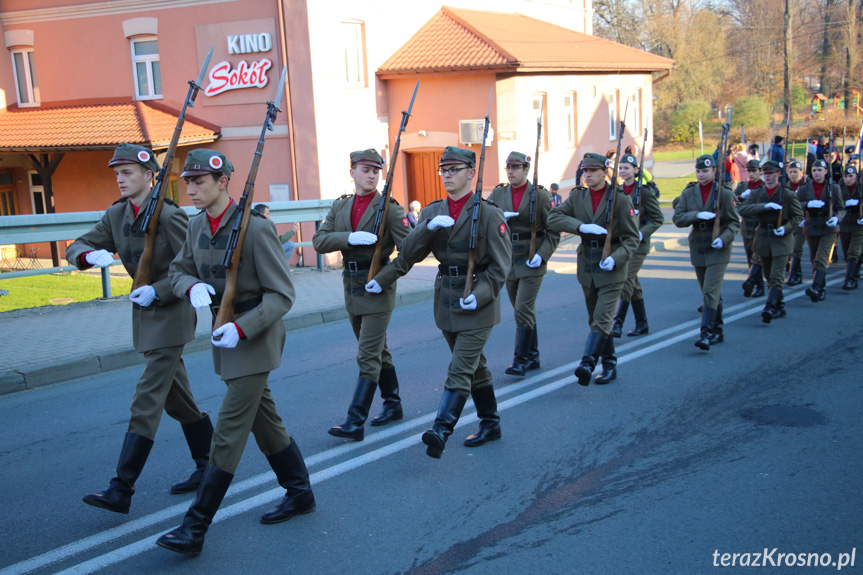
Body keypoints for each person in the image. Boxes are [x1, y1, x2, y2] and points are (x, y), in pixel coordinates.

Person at [158, 149, 314, 557]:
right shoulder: (196, 227)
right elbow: (177, 270)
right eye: (187, 182)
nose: (190, 189)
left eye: (199, 182)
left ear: (223, 182)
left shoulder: (255, 229)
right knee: (266, 421)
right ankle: (300, 492)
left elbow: (282, 295)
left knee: (228, 430)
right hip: (223, 332)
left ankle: (195, 526)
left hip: (254, 336)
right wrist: (189, 287)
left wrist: (242, 327)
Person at [66, 143, 211, 515]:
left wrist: (159, 290)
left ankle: (122, 487)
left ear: (150, 176)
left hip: (172, 311)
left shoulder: (170, 215)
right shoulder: (117, 214)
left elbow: (191, 267)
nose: (120, 178)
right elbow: (80, 243)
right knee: (178, 399)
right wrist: (86, 255)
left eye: (128, 172)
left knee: (146, 398)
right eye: (117, 173)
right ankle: (208, 464)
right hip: (144, 315)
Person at [370, 146, 511, 457]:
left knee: (460, 368)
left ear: (472, 173)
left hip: (478, 301)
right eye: (443, 170)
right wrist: (425, 228)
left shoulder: (489, 214)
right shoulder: (433, 212)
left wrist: (481, 295)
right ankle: (491, 423)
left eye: (455, 169)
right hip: (446, 299)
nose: (447, 175)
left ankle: (441, 429)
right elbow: (408, 254)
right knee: (475, 367)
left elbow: (501, 268)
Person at [312, 149, 410, 441]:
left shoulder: (390, 209)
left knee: (367, 355)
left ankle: (355, 422)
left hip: (378, 287)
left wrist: (386, 278)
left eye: (375, 171)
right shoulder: (341, 207)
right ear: (352, 172)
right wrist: (348, 238)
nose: (371, 175)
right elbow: (319, 241)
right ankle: (393, 405)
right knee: (379, 350)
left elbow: (410, 252)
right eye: (365, 170)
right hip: (351, 285)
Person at [547, 153, 639, 385]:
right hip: (588, 263)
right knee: (595, 319)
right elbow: (553, 218)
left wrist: (616, 258)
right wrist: (580, 226)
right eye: (585, 170)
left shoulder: (619, 199)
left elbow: (631, 239)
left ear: (604, 171)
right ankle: (609, 363)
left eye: (593, 171)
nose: (587, 175)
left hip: (612, 266)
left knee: (602, 317)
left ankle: (587, 363)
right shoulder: (578, 197)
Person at [488, 151, 560, 376]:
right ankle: (533, 356)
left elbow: (553, 230)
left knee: (523, 307)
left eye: (515, 167)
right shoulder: (499, 193)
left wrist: (543, 254)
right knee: (522, 310)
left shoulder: (541, 196)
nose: (510, 171)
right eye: (508, 167)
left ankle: (519, 360)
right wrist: (500, 218)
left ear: (526, 170)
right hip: (509, 257)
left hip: (531, 257)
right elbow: (484, 216)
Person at [672, 155, 740, 350]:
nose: (701, 175)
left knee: (710, 291)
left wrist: (723, 238)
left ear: (714, 172)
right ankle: (718, 329)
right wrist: (696, 215)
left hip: (718, 247)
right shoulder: (689, 192)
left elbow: (734, 223)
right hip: (699, 245)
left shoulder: (724, 194)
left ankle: (706, 332)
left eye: (705, 171)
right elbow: (678, 218)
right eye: (699, 171)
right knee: (708, 291)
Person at [737, 160, 803, 323]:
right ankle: (779, 306)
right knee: (768, 276)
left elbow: (798, 216)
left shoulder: (786, 193)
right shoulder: (758, 193)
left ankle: (770, 306)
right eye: (765, 173)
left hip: (781, 239)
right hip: (763, 237)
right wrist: (764, 206)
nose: (767, 176)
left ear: (778, 174)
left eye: (771, 173)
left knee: (776, 275)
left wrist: (787, 228)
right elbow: (743, 209)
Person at [610, 153, 663, 338]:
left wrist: (641, 233)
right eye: (621, 168)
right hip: (622, 244)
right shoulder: (616, 191)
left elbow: (657, 218)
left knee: (625, 278)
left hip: (638, 246)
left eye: (627, 168)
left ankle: (617, 323)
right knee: (633, 285)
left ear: (635, 170)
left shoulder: (645, 192)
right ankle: (642, 324)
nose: (623, 171)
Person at [797, 159, 844, 302]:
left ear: (826, 171)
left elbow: (841, 208)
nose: (817, 173)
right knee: (813, 259)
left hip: (828, 226)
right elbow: (795, 204)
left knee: (821, 257)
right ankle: (821, 288)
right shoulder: (805, 188)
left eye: (819, 170)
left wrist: (836, 219)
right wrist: (807, 204)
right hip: (812, 224)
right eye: (814, 170)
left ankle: (816, 286)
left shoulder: (833, 188)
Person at [735, 159, 765, 297]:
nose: (751, 174)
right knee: (750, 258)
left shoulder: (765, 186)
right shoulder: (742, 187)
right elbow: (732, 201)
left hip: (761, 227)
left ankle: (758, 285)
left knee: (757, 258)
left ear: (760, 171)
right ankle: (754, 283)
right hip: (747, 227)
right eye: (749, 171)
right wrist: (741, 197)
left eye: (754, 171)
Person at [839, 164, 863, 289]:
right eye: (846, 176)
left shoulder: (860, 187)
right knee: (847, 252)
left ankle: (850, 280)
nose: (848, 179)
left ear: (856, 176)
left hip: (858, 224)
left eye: (851, 176)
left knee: (853, 252)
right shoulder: (839, 187)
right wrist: (845, 203)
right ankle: (854, 270)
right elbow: (836, 203)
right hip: (844, 223)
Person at [785, 159, 809, 285]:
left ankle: (794, 275)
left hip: (803, 220)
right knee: (789, 248)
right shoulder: (785, 186)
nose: (793, 174)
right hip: (789, 221)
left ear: (801, 172)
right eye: (791, 172)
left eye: (796, 172)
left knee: (796, 248)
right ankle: (796, 273)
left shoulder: (807, 185)